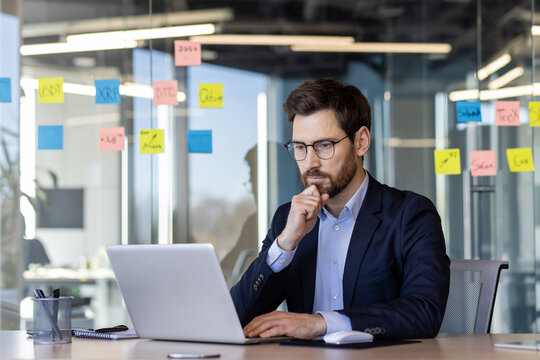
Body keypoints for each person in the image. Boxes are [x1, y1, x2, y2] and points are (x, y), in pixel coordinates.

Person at [230, 78, 450, 340]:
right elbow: (236, 317)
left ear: (361, 142)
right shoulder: (287, 220)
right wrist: (286, 243)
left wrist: (322, 323)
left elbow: (424, 313)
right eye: (300, 147)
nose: (310, 163)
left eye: (324, 146)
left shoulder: (410, 215)